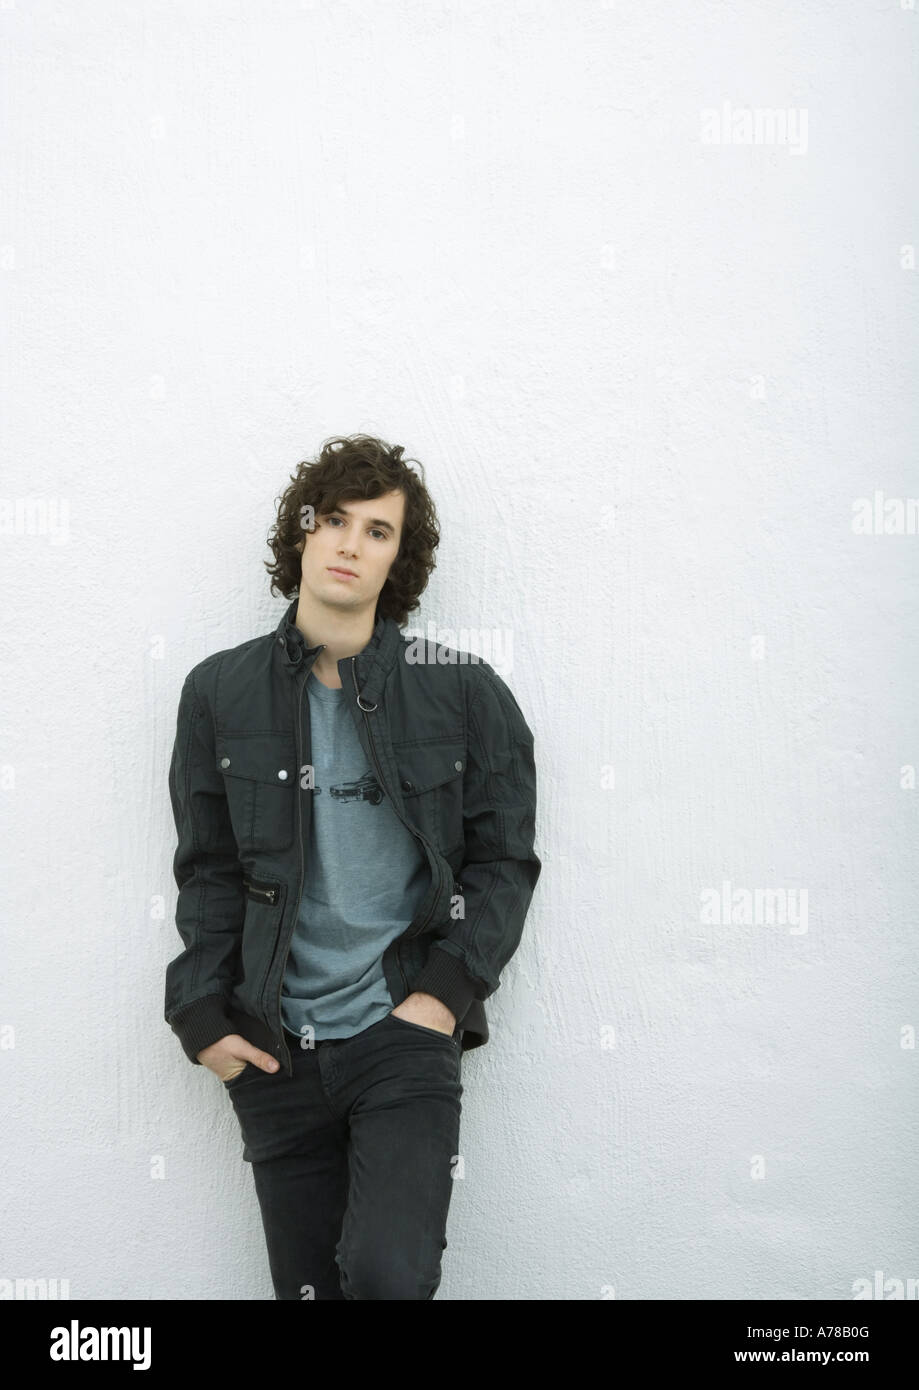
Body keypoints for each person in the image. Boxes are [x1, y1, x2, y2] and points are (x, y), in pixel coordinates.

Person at [165, 433, 541, 1299]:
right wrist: (200, 1017)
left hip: (400, 1036)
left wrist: (439, 999)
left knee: (385, 1279)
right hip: (274, 1050)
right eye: (333, 521)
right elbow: (209, 871)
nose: (349, 544)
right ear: (300, 537)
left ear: (398, 560)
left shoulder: (461, 689)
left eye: (378, 531)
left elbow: (504, 862)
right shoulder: (219, 693)